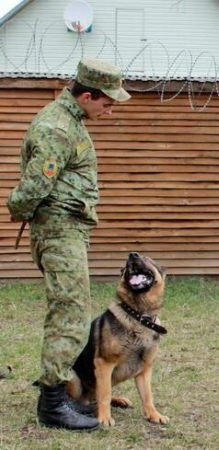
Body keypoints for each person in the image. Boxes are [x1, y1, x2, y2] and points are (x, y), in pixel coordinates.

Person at [6, 59, 131, 431]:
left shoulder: (70, 121)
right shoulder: (57, 128)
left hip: (67, 231)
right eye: (107, 103)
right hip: (59, 233)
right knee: (69, 317)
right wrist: (23, 210)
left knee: (72, 313)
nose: (110, 111)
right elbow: (31, 189)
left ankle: (63, 396)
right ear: (87, 96)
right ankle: (52, 405)